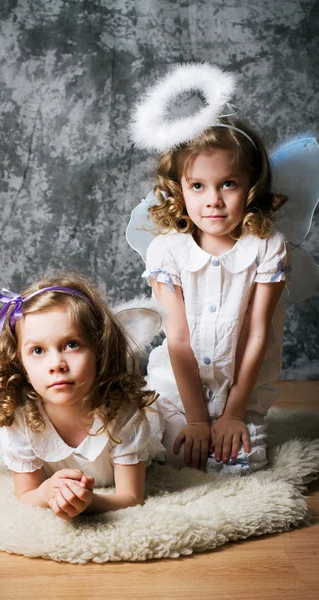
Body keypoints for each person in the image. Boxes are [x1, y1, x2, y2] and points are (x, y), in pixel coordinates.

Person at [128, 63, 292, 475]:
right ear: (179, 189)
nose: (213, 200)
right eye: (197, 186)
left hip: (242, 387)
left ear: (251, 184)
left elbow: (257, 335)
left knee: (237, 465)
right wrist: (198, 419)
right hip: (179, 387)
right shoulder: (167, 252)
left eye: (228, 184)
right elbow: (179, 342)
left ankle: (236, 423)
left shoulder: (266, 247)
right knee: (175, 458)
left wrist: (233, 412)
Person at [0, 273, 165, 519]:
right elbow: (26, 494)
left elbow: (131, 497)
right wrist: (46, 494)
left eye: (72, 344)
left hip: (122, 452)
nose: (56, 364)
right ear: (22, 366)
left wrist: (87, 502)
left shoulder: (122, 415)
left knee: (171, 433)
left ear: (99, 352)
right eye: (38, 350)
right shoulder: (20, 421)